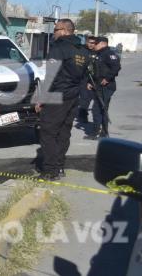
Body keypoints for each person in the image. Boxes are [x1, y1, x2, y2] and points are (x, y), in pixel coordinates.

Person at [35, 19, 89, 181]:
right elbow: (85, 76)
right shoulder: (82, 50)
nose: (54, 33)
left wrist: (41, 99)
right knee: (64, 132)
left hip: (57, 95)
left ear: (65, 30)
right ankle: (59, 166)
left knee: (48, 132)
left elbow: (51, 75)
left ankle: (50, 171)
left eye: (56, 29)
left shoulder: (59, 48)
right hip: (73, 97)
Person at [84, 36, 121, 140]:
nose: (93, 45)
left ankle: (99, 132)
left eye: (96, 43)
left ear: (103, 43)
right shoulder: (98, 54)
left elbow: (116, 67)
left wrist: (107, 78)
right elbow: (93, 70)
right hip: (97, 85)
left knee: (98, 109)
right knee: (101, 109)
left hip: (106, 86)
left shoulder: (109, 54)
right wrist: (89, 82)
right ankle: (102, 132)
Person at [76, 35, 97, 127]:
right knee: (85, 98)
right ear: (87, 42)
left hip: (94, 79)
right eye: (90, 42)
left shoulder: (96, 52)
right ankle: (83, 115)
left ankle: (82, 113)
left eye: (94, 43)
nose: (92, 45)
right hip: (83, 78)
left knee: (91, 97)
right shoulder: (81, 50)